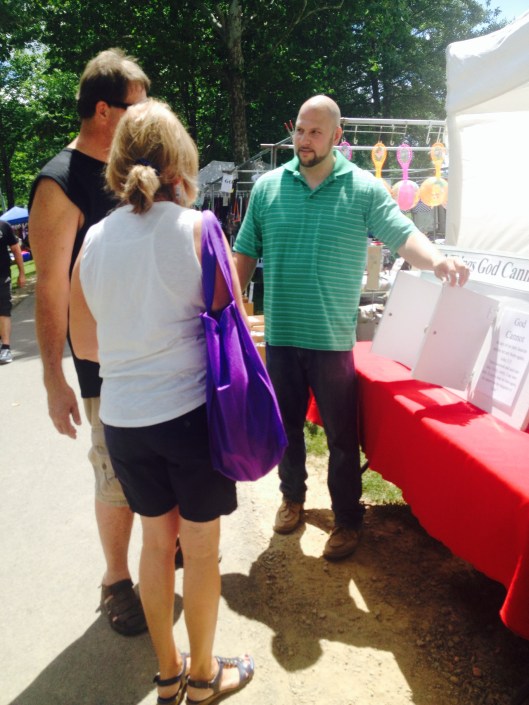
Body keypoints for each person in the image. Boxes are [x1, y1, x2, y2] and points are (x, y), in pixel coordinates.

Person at [69, 98, 254, 705]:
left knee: (154, 545)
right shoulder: (199, 229)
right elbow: (233, 322)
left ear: (118, 163)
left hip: (124, 421)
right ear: (181, 162)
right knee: (199, 552)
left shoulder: (94, 240)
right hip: (191, 418)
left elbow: (85, 343)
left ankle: (169, 673)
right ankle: (203, 677)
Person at [233, 95, 470, 561]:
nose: (304, 140)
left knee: (342, 438)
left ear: (337, 136)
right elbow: (243, 254)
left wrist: (439, 261)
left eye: (315, 132)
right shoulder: (267, 188)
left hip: (332, 340)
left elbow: (403, 234)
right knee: (285, 428)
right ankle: (292, 498)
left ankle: (346, 518)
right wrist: (225, 305)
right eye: (300, 130)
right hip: (281, 336)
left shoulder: (363, 188)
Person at [28, 48, 150, 635]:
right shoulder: (60, 182)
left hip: (160, 353)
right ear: (104, 110)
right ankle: (116, 578)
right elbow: (50, 290)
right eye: (136, 107)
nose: (145, 116)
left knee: (160, 460)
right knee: (115, 474)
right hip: (104, 363)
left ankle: (165, 546)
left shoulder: (135, 169)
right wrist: (54, 378)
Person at [0, 219, 26, 364]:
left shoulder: (3, 226)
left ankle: (6, 348)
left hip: (2, 277)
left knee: (3, 312)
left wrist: (21, 273)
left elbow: (16, 250)